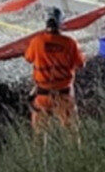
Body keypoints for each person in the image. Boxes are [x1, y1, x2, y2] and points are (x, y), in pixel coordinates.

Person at [24, 7, 86, 139]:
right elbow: (81, 64)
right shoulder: (70, 43)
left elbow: (28, 58)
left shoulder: (37, 42)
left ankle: (39, 160)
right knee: (72, 135)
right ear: (61, 23)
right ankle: (76, 159)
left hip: (42, 95)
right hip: (64, 94)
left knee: (39, 137)